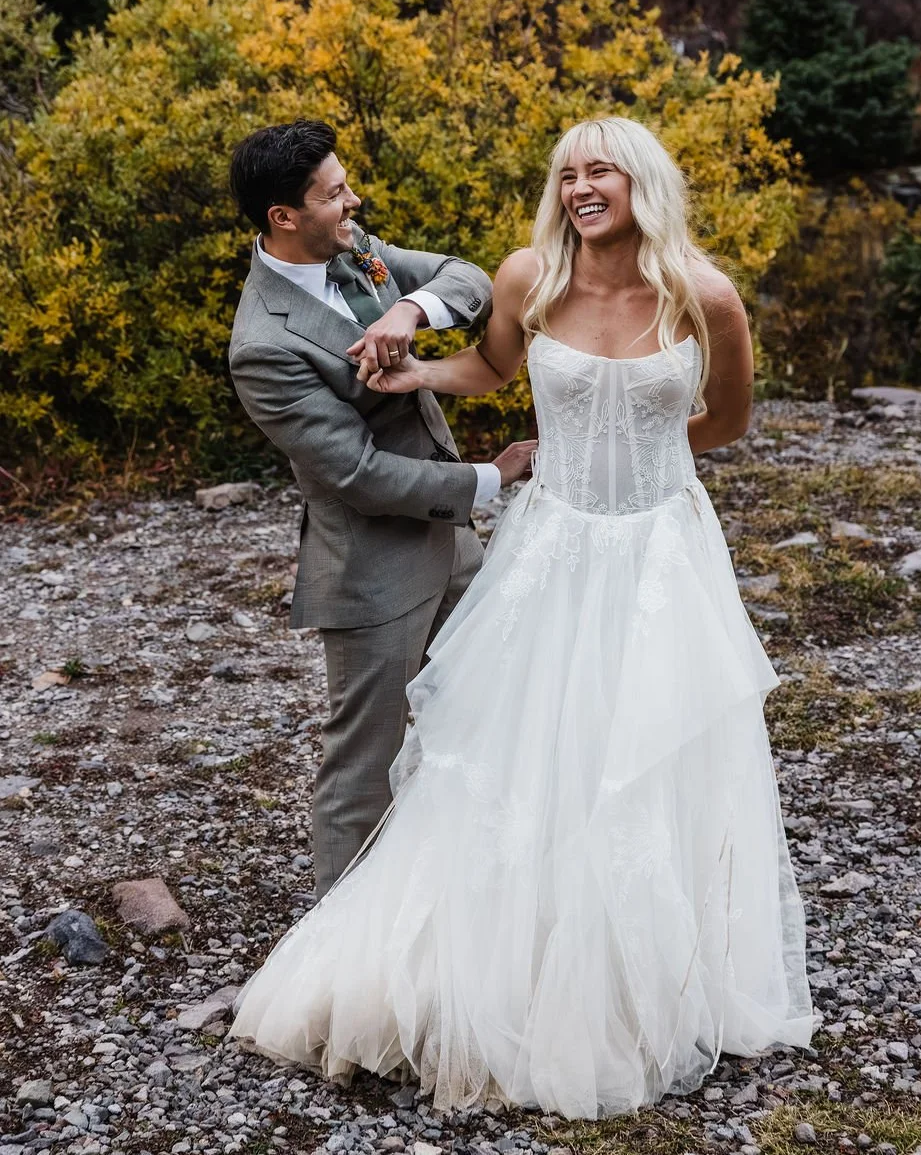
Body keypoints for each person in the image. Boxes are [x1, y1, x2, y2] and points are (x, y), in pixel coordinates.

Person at [228, 116, 815, 1117]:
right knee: (511, 748)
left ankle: (661, 968)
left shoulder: (704, 293)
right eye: (568, 172)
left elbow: (725, 419)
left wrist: (411, 323)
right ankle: (462, 956)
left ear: (641, 180)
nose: (582, 185)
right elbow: (486, 372)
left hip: (663, 547)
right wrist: (438, 399)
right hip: (548, 544)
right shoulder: (526, 275)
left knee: (655, 747)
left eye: (602, 170)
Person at [227, 118, 536, 899]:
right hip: (371, 572)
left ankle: (454, 903)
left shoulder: (352, 247)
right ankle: (341, 965)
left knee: (472, 720)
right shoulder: (264, 344)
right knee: (363, 768)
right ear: (283, 218)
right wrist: (488, 480)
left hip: (453, 548)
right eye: (334, 193)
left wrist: (410, 313)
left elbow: (467, 278)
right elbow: (358, 475)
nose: (353, 199)